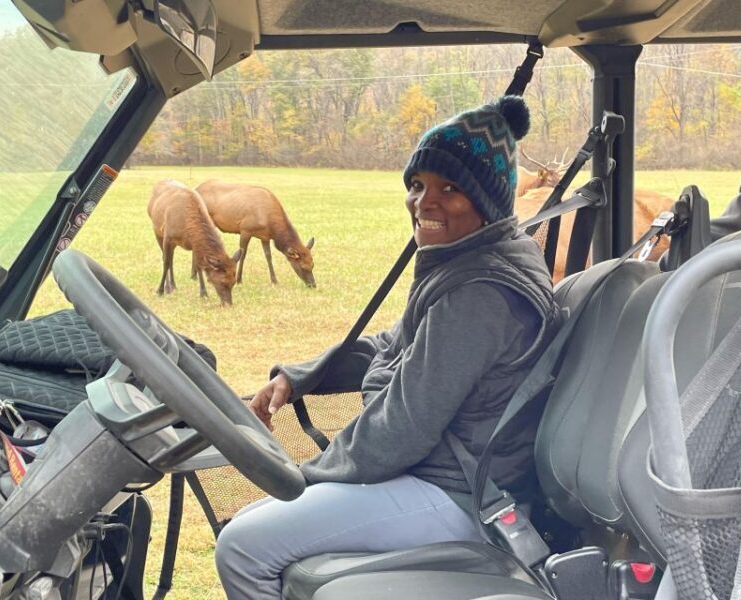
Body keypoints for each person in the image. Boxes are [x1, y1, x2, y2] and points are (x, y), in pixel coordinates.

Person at [215, 95, 559, 600]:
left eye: (450, 188)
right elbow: (392, 343)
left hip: (459, 494)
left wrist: (309, 475)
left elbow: (402, 429)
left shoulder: (480, 294)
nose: (425, 202)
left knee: (242, 546)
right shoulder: (468, 261)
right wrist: (300, 376)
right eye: (418, 186)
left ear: (487, 200)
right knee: (255, 525)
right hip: (437, 474)